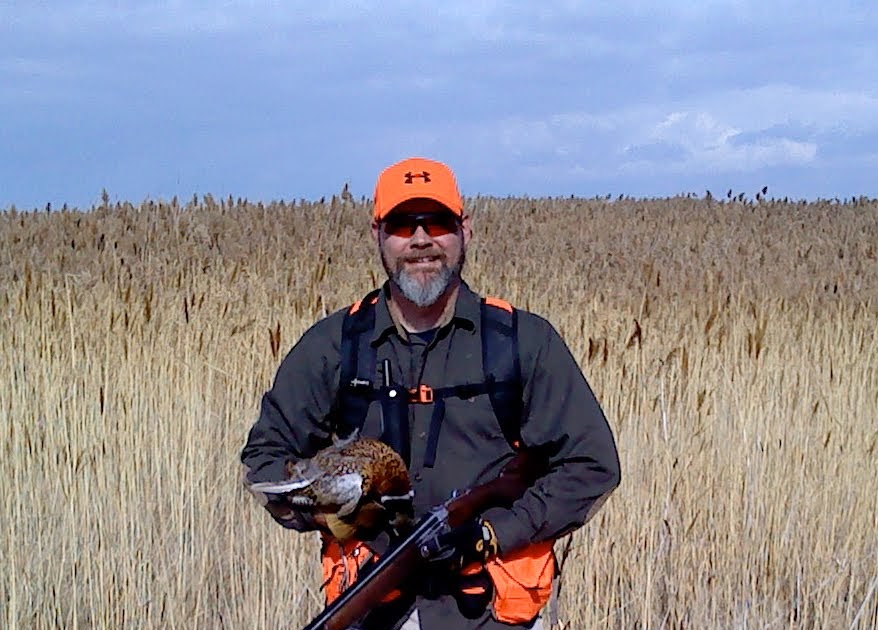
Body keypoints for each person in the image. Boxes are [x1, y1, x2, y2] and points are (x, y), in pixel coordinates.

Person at [240, 157, 621, 630]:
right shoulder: (334, 345)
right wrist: (332, 507)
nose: (422, 240)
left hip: (489, 615)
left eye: (437, 222)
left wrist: (490, 533)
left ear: (465, 231)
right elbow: (264, 460)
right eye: (403, 224)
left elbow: (592, 465)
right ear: (378, 234)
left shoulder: (522, 342)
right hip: (375, 603)